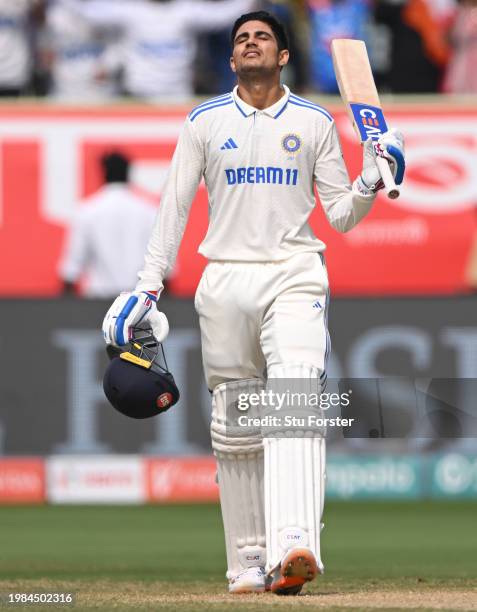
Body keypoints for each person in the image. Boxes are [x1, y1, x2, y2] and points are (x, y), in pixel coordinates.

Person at [102, 10, 405, 595]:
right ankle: (248, 559)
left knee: (293, 397)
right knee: (236, 426)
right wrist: (146, 284)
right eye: (241, 38)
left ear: (283, 55)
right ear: (232, 57)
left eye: (262, 36)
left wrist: (372, 179)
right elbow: (174, 208)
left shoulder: (314, 122)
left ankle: (296, 543)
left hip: (294, 272)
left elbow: (340, 214)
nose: (249, 43)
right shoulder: (204, 122)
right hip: (225, 279)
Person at [59, 0, 255, 100]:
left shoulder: (185, 11)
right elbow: (88, 12)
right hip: (138, 99)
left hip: (178, 100)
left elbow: (225, 14)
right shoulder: (131, 11)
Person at [59, 152, 156, 298]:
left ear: (104, 172)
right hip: (139, 303)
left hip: (97, 302)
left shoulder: (88, 210)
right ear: (128, 173)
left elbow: (71, 268)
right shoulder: (148, 210)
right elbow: (163, 266)